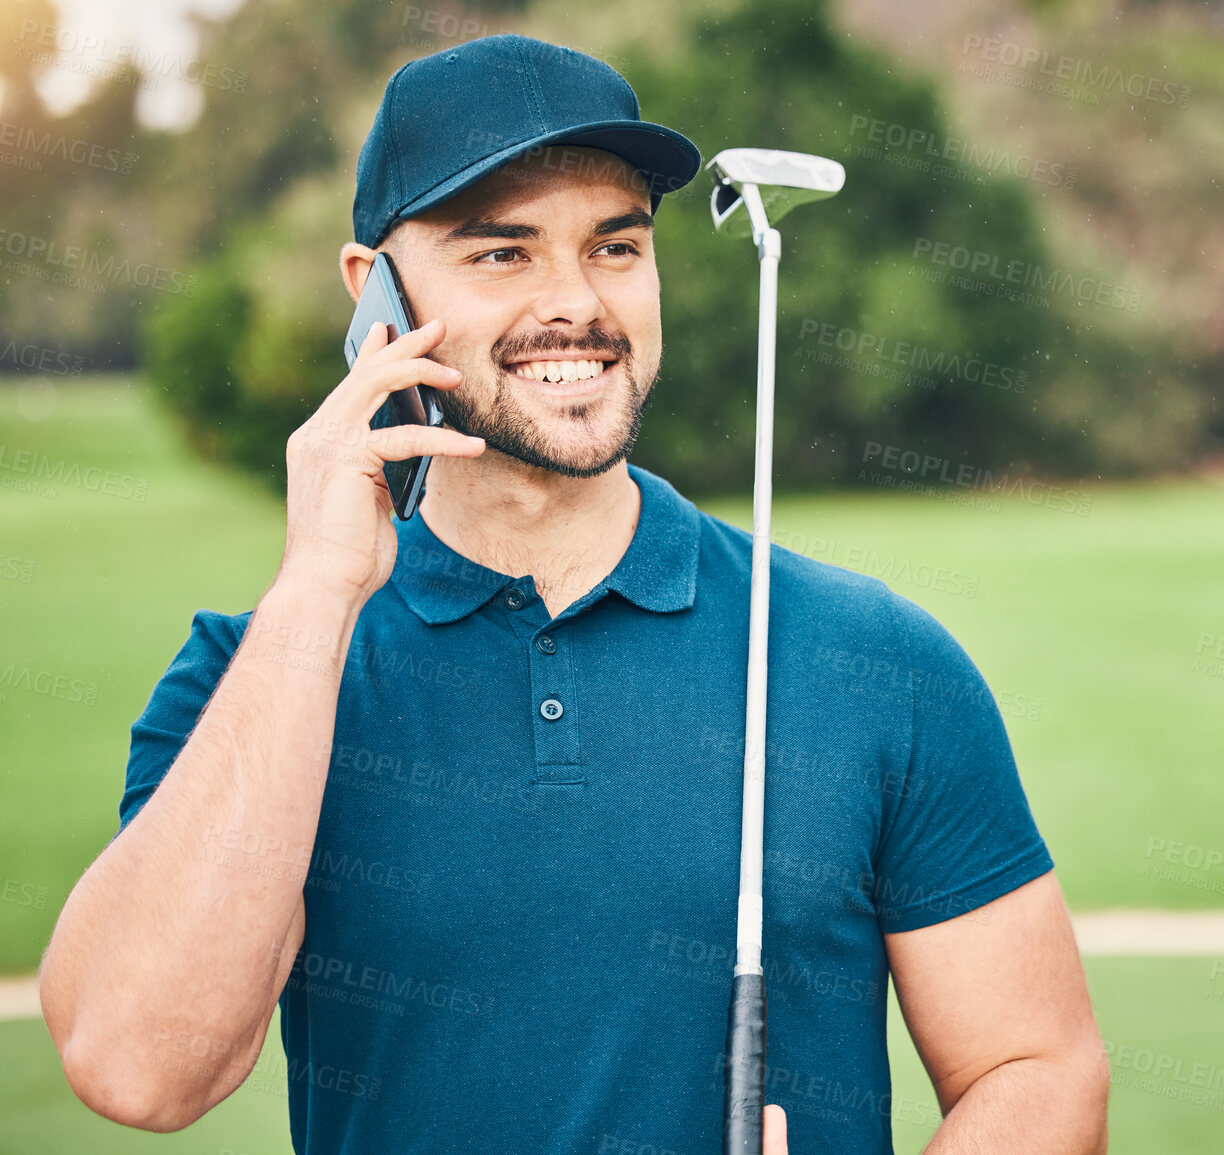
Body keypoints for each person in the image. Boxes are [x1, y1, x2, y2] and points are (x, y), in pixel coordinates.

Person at [38, 35, 1108, 1155]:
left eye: (615, 246)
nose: (576, 305)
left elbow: (1037, 1067)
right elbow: (138, 1069)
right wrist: (316, 590)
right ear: (377, 295)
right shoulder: (252, 679)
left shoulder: (871, 655)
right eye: (501, 254)